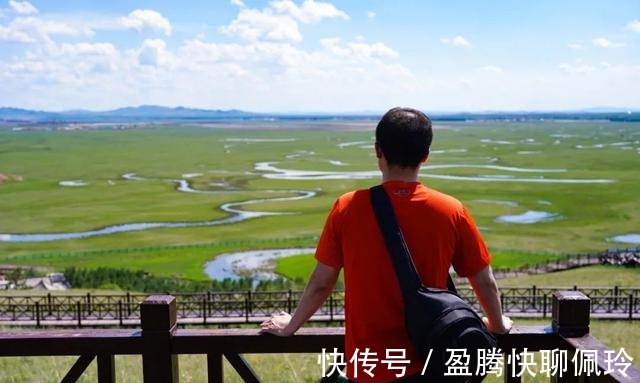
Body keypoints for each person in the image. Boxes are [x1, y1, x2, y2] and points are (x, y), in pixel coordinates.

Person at [260, 107, 512, 383]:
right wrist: (497, 326)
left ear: (378, 151)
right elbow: (483, 279)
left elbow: (322, 283)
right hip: (431, 363)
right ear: (425, 156)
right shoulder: (450, 210)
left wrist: (290, 326)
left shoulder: (347, 208)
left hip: (369, 368)